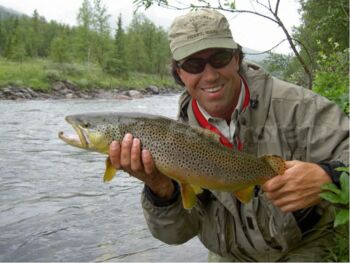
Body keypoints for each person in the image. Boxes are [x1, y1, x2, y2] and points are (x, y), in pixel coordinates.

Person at [108, 9, 349, 262]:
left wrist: (329, 177)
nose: (210, 75)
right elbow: (175, 234)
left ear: (237, 58)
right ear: (179, 73)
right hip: (230, 255)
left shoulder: (298, 107)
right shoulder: (169, 140)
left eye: (220, 58)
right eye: (194, 64)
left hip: (309, 245)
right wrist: (159, 189)